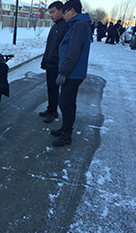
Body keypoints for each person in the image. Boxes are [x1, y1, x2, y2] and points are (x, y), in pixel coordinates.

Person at [51, 0, 92, 146]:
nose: (64, 15)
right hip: (74, 73)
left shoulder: (79, 25)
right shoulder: (78, 24)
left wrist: (63, 72)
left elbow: (73, 52)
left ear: (72, 11)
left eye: (65, 12)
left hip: (72, 73)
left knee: (65, 104)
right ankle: (65, 129)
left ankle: (66, 135)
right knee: (70, 103)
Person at [40, 1, 68, 123]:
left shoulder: (65, 27)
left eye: (53, 12)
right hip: (50, 63)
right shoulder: (55, 27)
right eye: (49, 13)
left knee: (54, 89)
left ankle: (53, 112)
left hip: (57, 65)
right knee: (50, 88)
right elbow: (49, 46)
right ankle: (50, 109)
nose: (51, 15)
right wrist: (44, 60)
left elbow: (64, 49)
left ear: (61, 11)